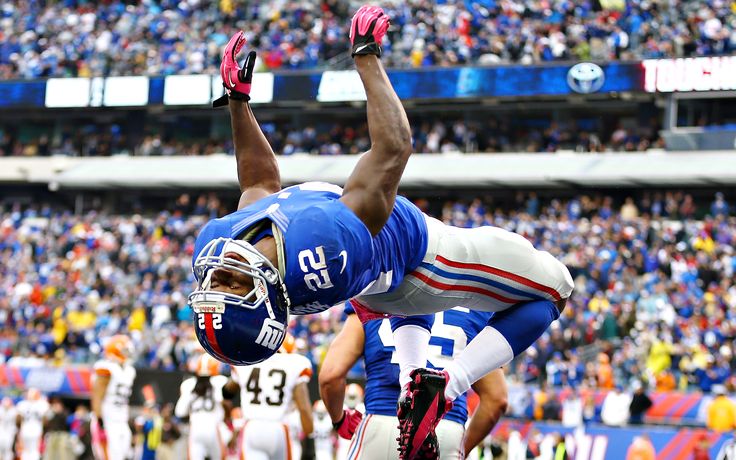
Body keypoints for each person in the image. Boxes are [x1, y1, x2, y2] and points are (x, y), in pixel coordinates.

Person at [190, 5, 572, 459]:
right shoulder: (323, 243)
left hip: (375, 292)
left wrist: (237, 102)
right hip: (421, 264)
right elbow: (394, 148)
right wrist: (366, 55)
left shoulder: (221, 242)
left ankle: (417, 385)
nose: (222, 270)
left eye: (214, 282)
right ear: (266, 295)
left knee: (381, 295)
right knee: (556, 288)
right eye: (232, 283)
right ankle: (447, 384)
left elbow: (258, 183)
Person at [318, 304, 508, 459]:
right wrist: (460, 447)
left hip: (381, 422)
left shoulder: (379, 284)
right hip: (445, 428)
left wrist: (339, 420)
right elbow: (496, 399)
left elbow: (330, 375)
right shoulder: (478, 305)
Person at [224, 334, 314, 459]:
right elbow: (303, 408)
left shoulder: (248, 359)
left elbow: (227, 392)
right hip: (279, 428)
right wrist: (309, 436)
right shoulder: (295, 363)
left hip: (252, 427)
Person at [175, 353, 229, 460]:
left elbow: (179, 412)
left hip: (195, 427)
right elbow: (226, 403)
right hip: (215, 427)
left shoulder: (189, 384)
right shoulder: (220, 381)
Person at [91, 334, 136, 460]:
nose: (128, 354)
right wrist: (99, 419)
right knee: (110, 456)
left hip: (121, 418)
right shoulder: (106, 368)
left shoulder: (129, 371)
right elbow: (97, 395)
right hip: (107, 419)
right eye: (125, 350)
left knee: (123, 454)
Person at [16, 388, 50, 460]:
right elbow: (45, 420)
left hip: (25, 429)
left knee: (26, 450)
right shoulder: (42, 404)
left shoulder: (22, 404)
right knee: (34, 450)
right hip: (36, 429)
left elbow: (18, 419)